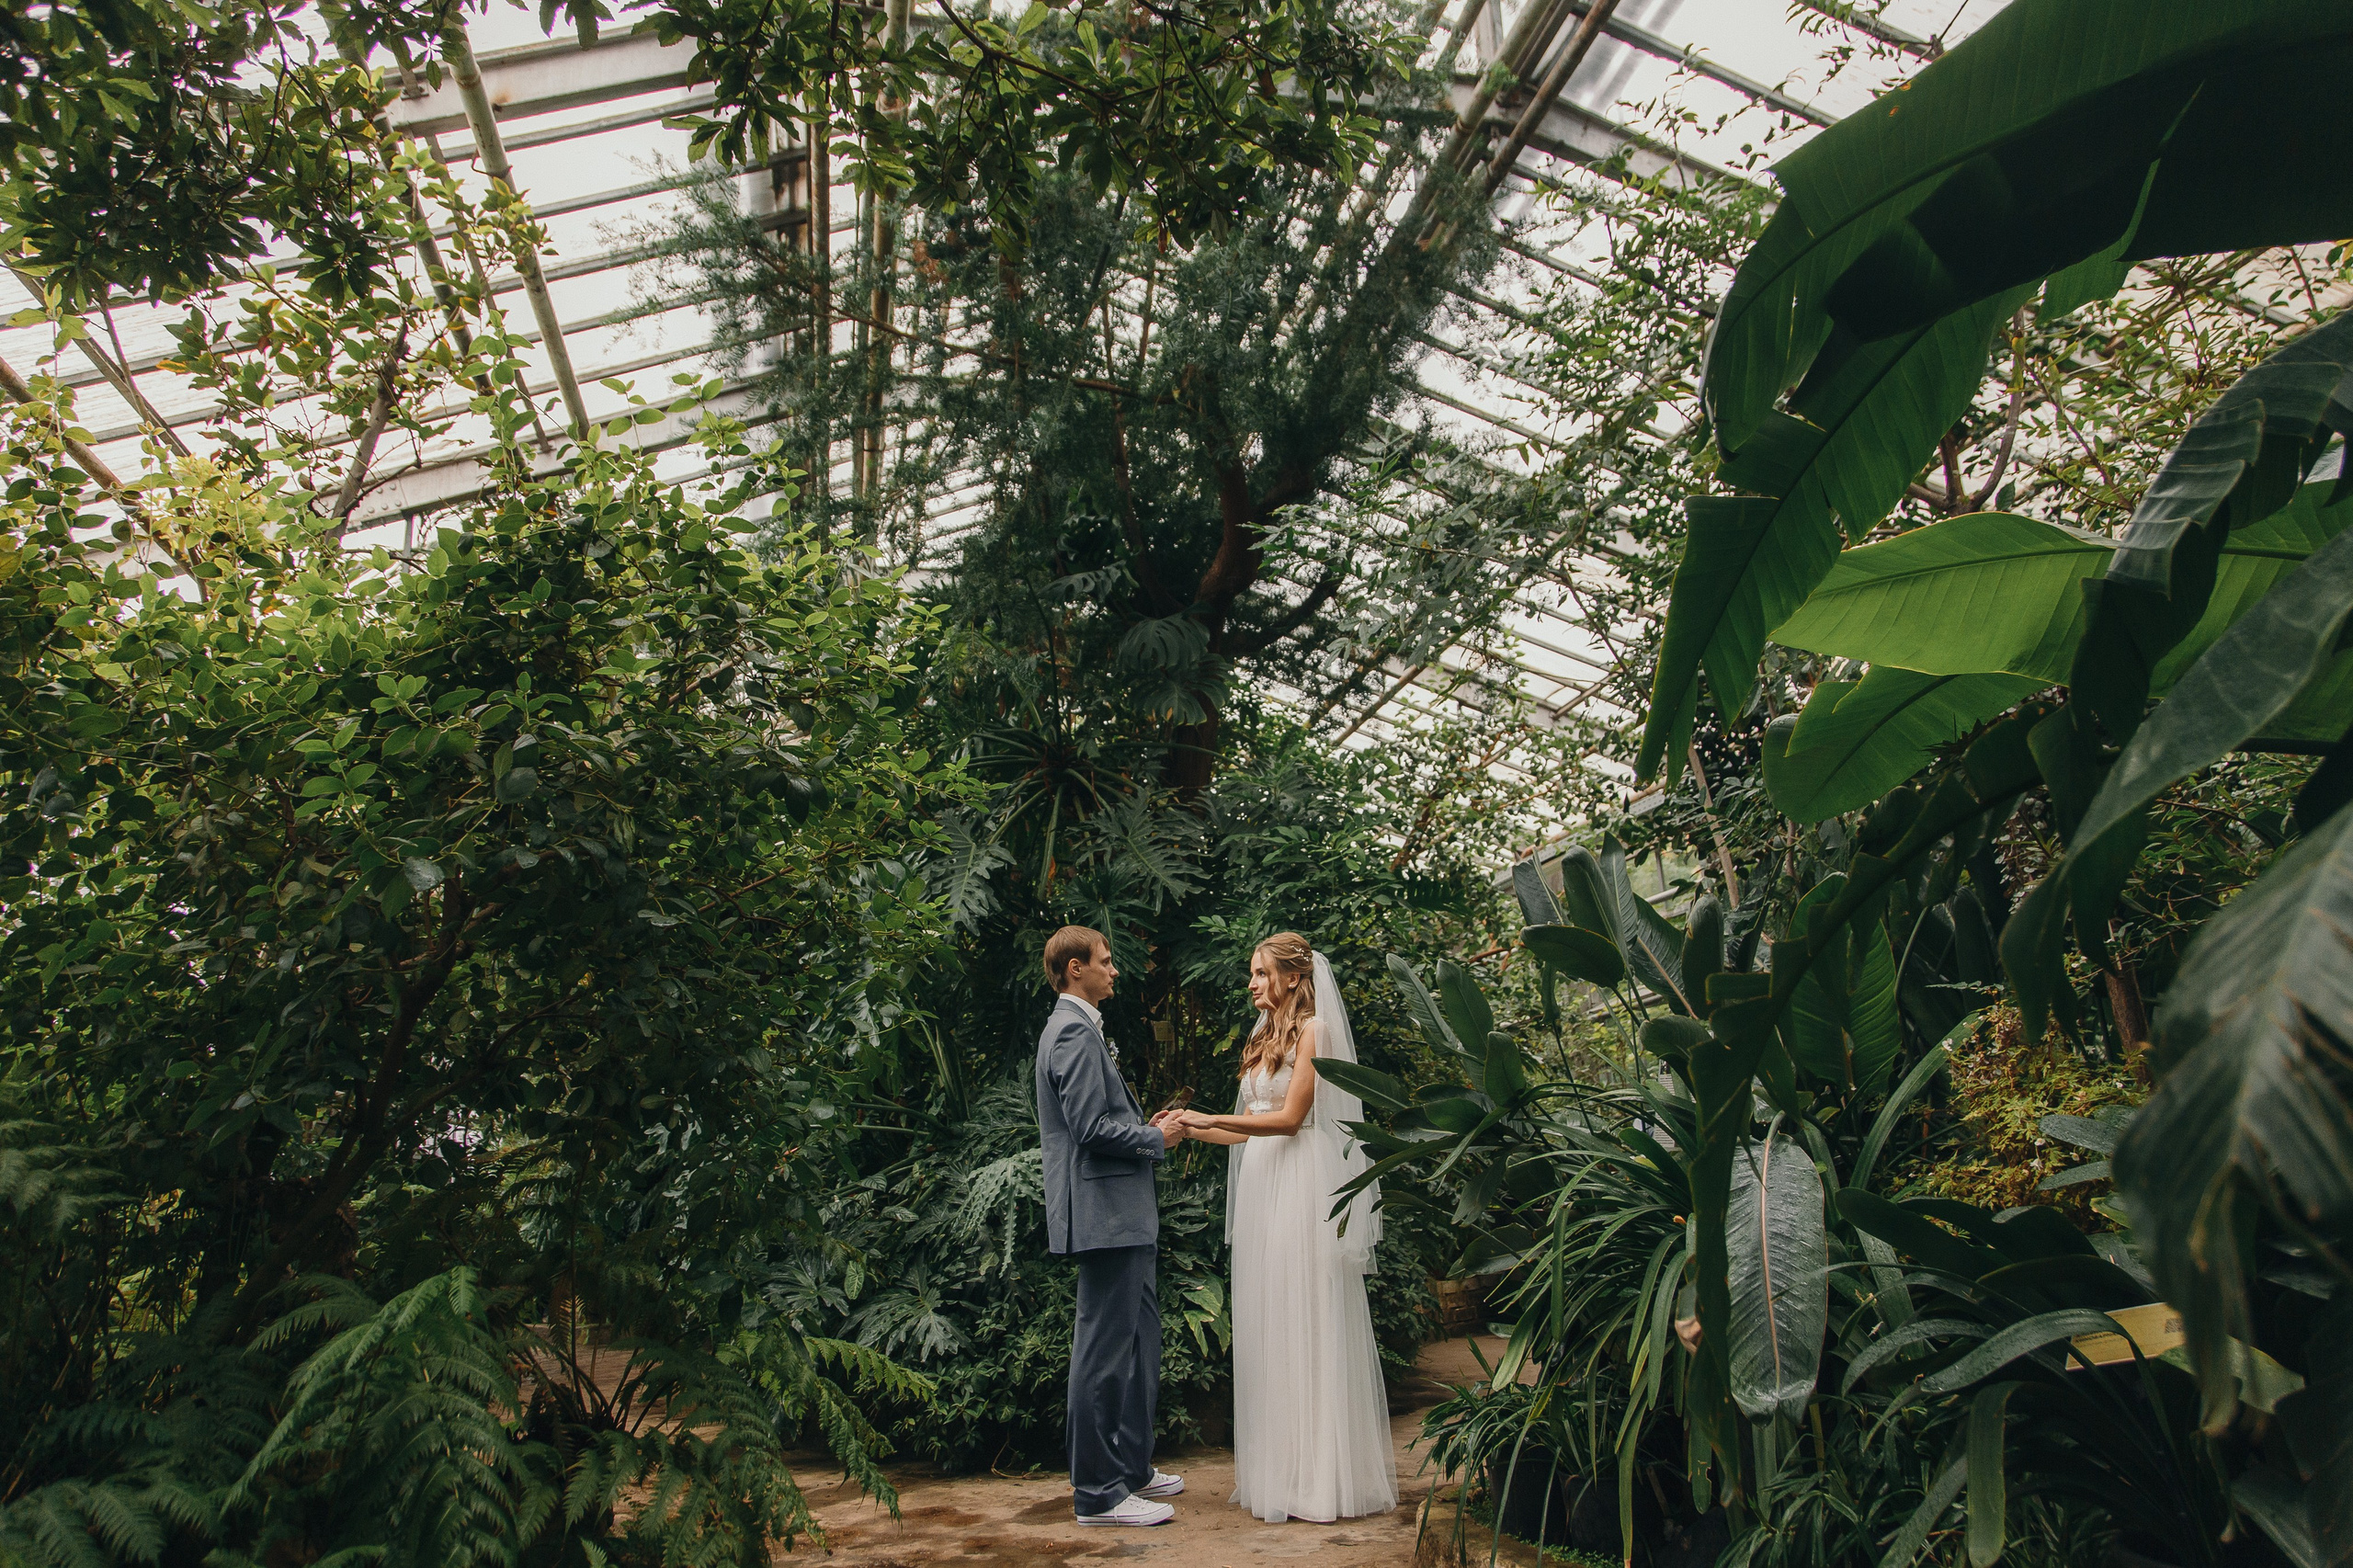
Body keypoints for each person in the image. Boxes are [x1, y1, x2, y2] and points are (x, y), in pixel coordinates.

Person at [1176, 934, 1399, 1524]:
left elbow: (1291, 1119)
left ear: (1295, 978)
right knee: (1271, 1321)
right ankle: (1283, 1469)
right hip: (1262, 1188)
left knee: (1309, 1316)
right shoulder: (1258, 1038)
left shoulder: (1315, 1034)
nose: (1251, 983)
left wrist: (1212, 1115)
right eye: (1251, 973)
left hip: (1302, 1184)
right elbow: (1247, 1127)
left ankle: (1321, 1479)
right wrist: (1191, 1128)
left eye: (1260, 973)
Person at [1034, 925, 1193, 1527]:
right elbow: (1088, 1128)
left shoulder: (1081, 1028)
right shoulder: (1072, 1030)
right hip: (1104, 1218)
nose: (1114, 970)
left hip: (1124, 1216)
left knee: (1138, 1348)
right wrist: (1156, 1137)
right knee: (1103, 1355)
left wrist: (1146, 1127)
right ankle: (1098, 1495)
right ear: (1075, 969)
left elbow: (1103, 1117)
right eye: (1104, 961)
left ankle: (1130, 1468)